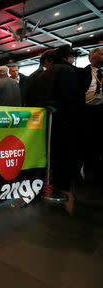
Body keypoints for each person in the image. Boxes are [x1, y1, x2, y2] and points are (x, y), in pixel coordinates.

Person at [41, 45, 83, 196]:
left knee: (51, 152)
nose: (74, 58)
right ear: (66, 57)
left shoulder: (46, 72)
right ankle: (61, 186)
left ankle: (50, 182)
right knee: (64, 155)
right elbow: (71, 98)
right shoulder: (68, 71)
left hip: (49, 121)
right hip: (65, 121)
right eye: (72, 56)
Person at [78, 47, 103, 182]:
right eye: (102, 54)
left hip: (101, 110)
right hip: (86, 111)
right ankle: (86, 167)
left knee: (99, 140)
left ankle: (96, 165)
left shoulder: (102, 73)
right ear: (93, 58)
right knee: (87, 140)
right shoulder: (83, 73)